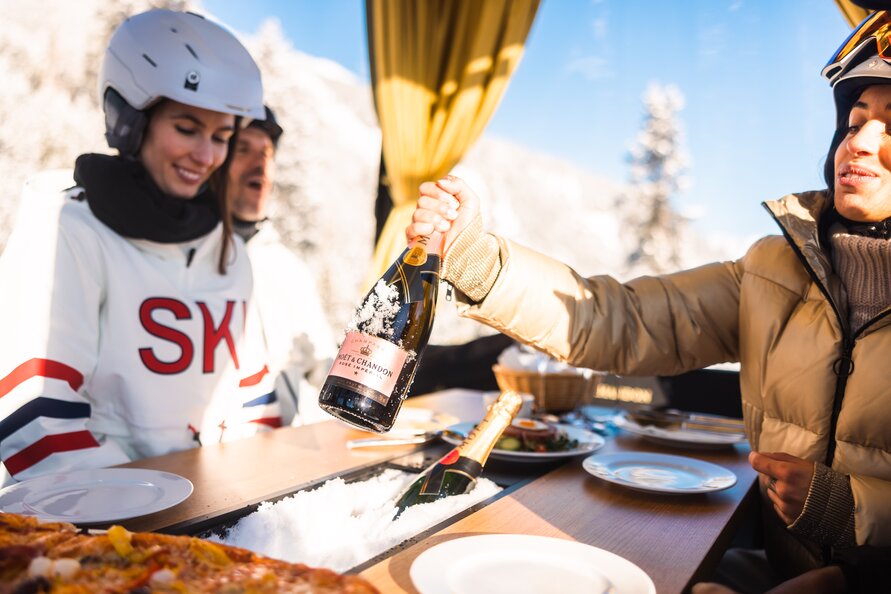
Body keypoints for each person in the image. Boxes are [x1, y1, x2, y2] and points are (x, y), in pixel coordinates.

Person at [406, 9, 891, 593]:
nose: (858, 142)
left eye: (890, 126)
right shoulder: (773, 269)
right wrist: (474, 258)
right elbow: (619, 321)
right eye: (855, 119)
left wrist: (856, 507)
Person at [0, 9, 277, 485]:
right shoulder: (68, 225)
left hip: (214, 511)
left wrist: (248, 496)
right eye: (187, 129)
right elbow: (34, 414)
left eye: (222, 137)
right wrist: (143, 517)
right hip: (114, 524)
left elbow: (255, 396)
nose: (206, 156)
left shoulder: (227, 248)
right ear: (130, 120)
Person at [225, 107, 336, 425]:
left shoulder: (288, 269)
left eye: (267, 153)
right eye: (242, 150)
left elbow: (323, 369)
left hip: (280, 458)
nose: (258, 163)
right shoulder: (182, 257)